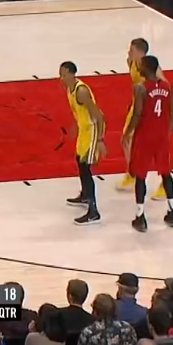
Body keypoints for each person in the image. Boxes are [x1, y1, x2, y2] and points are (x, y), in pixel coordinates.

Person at [123, 55, 173, 232]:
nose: (138, 67)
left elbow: (137, 114)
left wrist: (128, 132)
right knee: (166, 173)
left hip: (145, 136)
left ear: (146, 68)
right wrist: (168, 130)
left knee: (141, 175)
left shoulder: (140, 88)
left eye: (141, 65)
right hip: (162, 136)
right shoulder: (168, 86)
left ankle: (140, 216)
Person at [117, 39, 167, 200]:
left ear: (140, 52)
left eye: (132, 50)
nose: (128, 52)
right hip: (137, 105)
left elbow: (165, 85)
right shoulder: (130, 62)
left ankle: (164, 183)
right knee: (126, 140)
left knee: (155, 147)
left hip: (150, 107)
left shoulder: (152, 68)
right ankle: (132, 173)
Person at [60, 61, 105, 225]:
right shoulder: (69, 89)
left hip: (92, 130)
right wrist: (75, 127)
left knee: (86, 167)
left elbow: (99, 116)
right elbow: (79, 113)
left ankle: (93, 211)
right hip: (84, 130)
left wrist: (100, 140)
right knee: (79, 161)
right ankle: (85, 195)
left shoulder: (81, 91)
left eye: (64, 74)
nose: (61, 78)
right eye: (60, 75)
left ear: (72, 74)